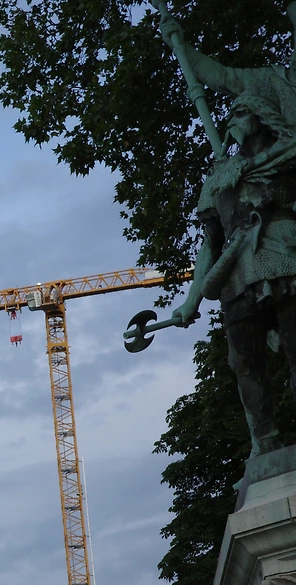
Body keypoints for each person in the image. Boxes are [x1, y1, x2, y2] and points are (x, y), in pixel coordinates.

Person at [162, 12, 296, 456]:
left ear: (259, 116)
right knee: (244, 361)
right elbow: (210, 244)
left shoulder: (285, 159)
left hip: (286, 256)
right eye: (231, 113)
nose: (232, 119)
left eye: (241, 112)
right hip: (237, 273)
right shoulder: (218, 179)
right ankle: (266, 441)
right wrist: (190, 301)